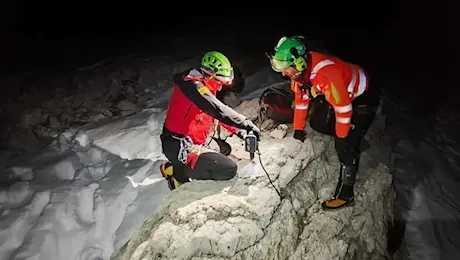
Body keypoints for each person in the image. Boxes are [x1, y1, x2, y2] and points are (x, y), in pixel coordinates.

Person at [267, 36, 380, 210]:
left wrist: (343, 137)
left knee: (345, 145)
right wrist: (298, 128)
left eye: (285, 69)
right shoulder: (300, 72)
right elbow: (302, 98)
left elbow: (344, 110)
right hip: (338, 90)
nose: (283, 73)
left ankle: (346, 194)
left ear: (298, 64)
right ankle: (355, 135)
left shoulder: (325, 74)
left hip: (362, 94)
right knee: (318, 123)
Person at [159, 51, 260, 190]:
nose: (221, 86)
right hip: (179, 144)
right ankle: (178, 173)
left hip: (196, 140)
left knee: (225, 149)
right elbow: (218, 110)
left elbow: (214, 114)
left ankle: (174, 166)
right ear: (210, 74)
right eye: (220, 81)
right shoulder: (192, 86)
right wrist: (245, 123)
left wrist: (240, 131)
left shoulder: (205, 88)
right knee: (227, 169)